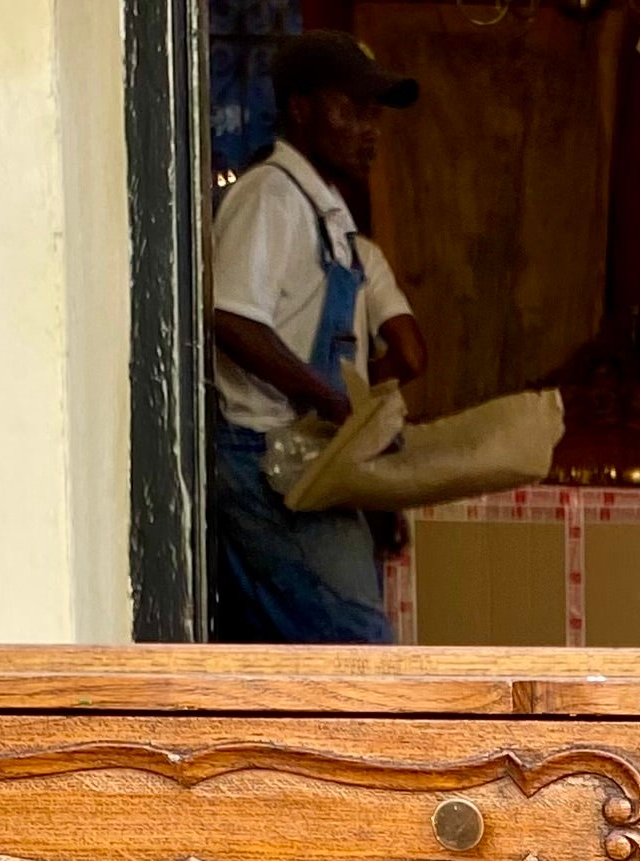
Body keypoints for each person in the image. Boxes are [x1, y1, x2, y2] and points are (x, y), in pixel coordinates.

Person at [208, 32, 428, 643]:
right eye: (352, 110)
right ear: (301, 109)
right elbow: (230, 317)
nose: (370, 129)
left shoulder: (323, 210)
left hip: (313, 463)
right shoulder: (270, 195)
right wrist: (332, 403)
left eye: (375, 114)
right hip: (266, 463)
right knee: (360, 653)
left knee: (306, 667)